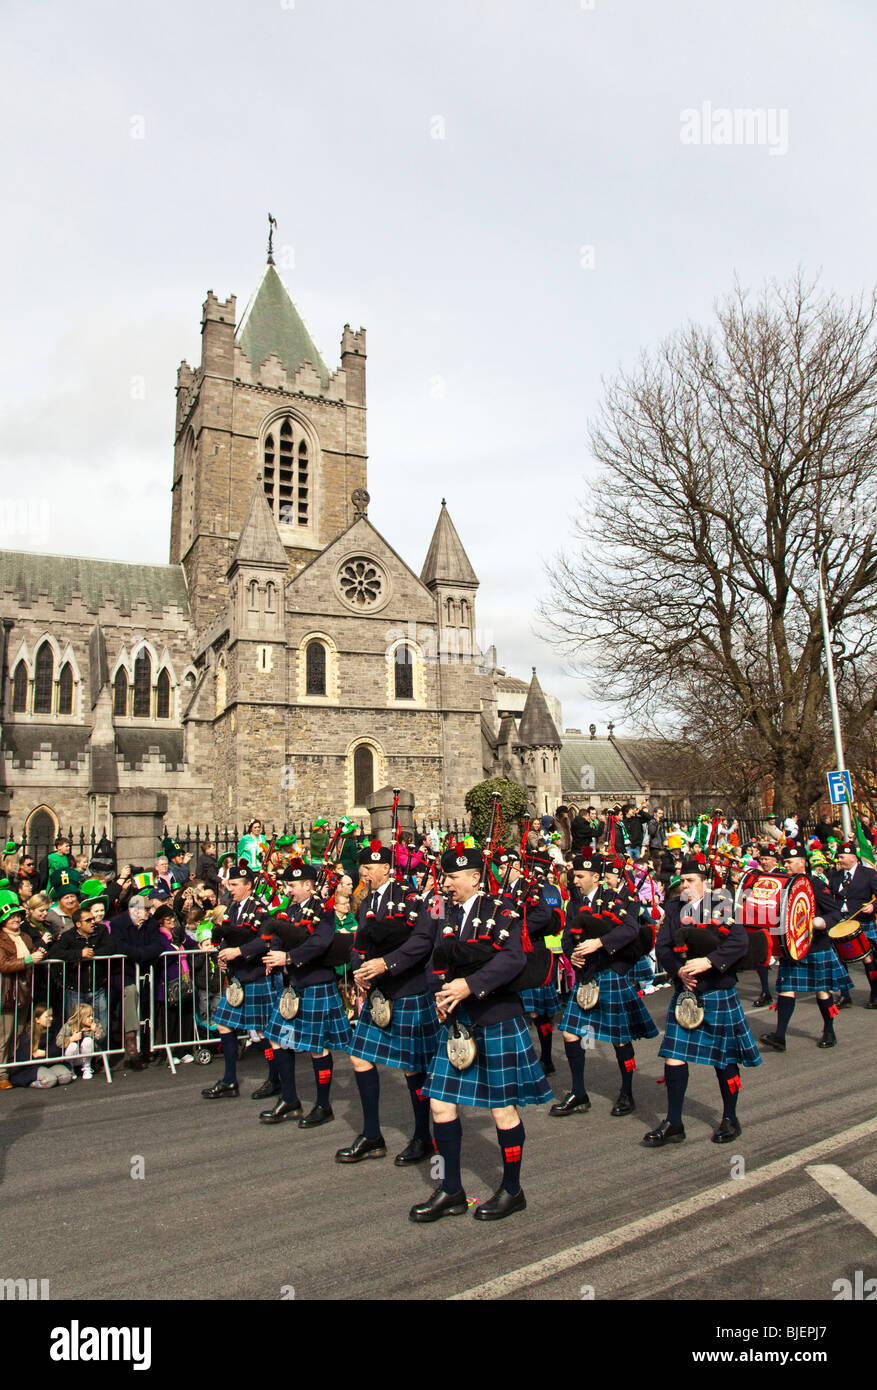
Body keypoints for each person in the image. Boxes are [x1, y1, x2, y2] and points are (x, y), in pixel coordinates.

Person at [410, 844, 552, 1224]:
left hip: (496, 1017)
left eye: (454, 877)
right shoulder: (443, 912)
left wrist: (470, 986)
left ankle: (512, 1189)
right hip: (456, 1021)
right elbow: (433, 956)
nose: (447, 883)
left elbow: (513, 959)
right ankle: (452, 1190)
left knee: (501, 1109)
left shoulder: (501, 910)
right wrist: (439, 992)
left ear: (475, 878)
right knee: (440, 1104)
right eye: (445, 876)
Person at [334, 841, 438, 1165]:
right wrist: (359, 970)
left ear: (387, 869)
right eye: (362, 866)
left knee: (411, 1067)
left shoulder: (410, 897)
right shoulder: (365, 902)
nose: (364, 872)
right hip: (379, 993)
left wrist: (385, 964)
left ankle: (424, 1137)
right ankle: (371, 1136)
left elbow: (422, 942)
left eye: (371, 867)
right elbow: (358, 943)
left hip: (407, 990)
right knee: (360, 1057)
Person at [645, 857, 761, 1147]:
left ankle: (730, 1117)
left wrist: (708, 962)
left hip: (717, 989)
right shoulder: (673, 908)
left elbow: (739, 943)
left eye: (691, 881)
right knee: (674, 1054)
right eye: (682, 881)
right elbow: (662, 946)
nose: (685, 886)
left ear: (705, 882)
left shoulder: (721, 904)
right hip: (686, 992)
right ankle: (674, 1122)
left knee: (724, 1058)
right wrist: (679, 971)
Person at [551, 851, 658, 1119]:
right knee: (570, 1033)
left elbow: (631, 929)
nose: (574, 880)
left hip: (610, 973)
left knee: (619, 1039)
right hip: (586, 975)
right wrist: (571, 954)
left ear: (595, 877)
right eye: (574, 875)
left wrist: (600, 943)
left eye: (579, 876)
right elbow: (567, 936)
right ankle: (578, 1093)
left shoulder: (613, 899)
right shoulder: (574, 905)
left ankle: (627, 1092)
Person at [260, 860, 353, 1126]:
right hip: (294, 985)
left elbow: (319, 944)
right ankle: (290, 1099)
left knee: (317, 1048)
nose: (288, 889)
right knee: (277, 1038)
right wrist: (272, 956)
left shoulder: (322, 911)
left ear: (308, 885)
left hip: (316, 982)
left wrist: (287, 958)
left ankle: (323, 1105)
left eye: (292, 885)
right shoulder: (289, 910)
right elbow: (278, 936)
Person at [201, 862, 281, 1099]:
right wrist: (223, 954)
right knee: (224, 1024)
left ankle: (274, 1079)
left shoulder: (261, 910)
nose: (230, 888)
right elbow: (226, 936)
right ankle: (229, 1080)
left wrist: (239, 952)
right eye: (229, 883)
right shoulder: (232, 910)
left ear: (248, 886)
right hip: (237, 978)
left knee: (265, 1031)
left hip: (255, 975)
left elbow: (265, 940)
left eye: (235, 884)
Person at [760, 846, 848, 1052]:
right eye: (785, 862)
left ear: (803, 863)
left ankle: (829, 1030)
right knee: (786, 989)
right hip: (791, 946)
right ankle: (780, 1036)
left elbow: (836, 912)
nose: (786, 865)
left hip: (816, 945)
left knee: (822, 991)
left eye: (790, 862)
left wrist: (822, 921)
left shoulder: (815, 884)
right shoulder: (783, 884)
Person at [106, 894, 167, 1069]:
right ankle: (130, 1039)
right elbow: (119, 946)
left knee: (149, 1003)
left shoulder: (152, 924)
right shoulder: (118, 923)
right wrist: (139, 954)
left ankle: (149, 1044)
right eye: (146, 909)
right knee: (131, 991)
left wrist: (140, 954)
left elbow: (157, 946)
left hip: (146, 970)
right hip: (123, 971)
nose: (149, 912)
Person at [0, 898, 48, 1086]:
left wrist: (41, 951)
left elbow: (35, 952)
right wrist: (28, 960)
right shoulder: (1, 938)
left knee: (19, 1033)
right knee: (4, 1035)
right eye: (11, 917)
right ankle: (2, 1074)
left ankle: (14, 1070)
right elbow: (3, 964)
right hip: (7, 992)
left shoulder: (25, 936)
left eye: (17, 916)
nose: (14, 919)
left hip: (24, 990)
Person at [49, 901, 114, 1035]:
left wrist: (92, 953)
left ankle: (100, 1055)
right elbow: (54, 952)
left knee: (101, 1029)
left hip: (98, 988)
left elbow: (111, 947)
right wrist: (79, 954)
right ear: (78, 924)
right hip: (75, 990)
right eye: (88, 920)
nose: (93, 922)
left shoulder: (101, 930)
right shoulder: (68, 936)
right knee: (75, 1028)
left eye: (93, 919)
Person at [828, 843, 877, 1009]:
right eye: (839, 857)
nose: (839, 860)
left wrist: (873, 906)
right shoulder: (835, 876)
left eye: (842, 857)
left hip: (862, 921)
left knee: (867, 958)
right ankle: (845, 995)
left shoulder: (868, 874)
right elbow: (830, 898)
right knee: (840, 960)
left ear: (853, 857)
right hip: (841, 922)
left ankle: (875, 993)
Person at [12, 1005, 74, 1088]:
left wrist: (45, 1053)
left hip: (48, 1064)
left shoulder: (53, 1030)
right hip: (32, 1068)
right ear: (37, 1020)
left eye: (51, 1016)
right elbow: (28, 1057)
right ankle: (33, 1083)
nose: (51, 1019)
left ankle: (50, 1076)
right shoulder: (28, 1034)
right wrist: (44, 1055)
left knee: (67, 1076)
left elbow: (57, 1049)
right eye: (47, 1017)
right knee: (50, 1080)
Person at [57, 1002, 104, 1078]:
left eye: (92, 1015)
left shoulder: (95, 1024)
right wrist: (71, 1039)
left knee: (88, 1041)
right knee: (73, 1045)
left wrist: (95, 1031)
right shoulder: (69, 1026)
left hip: (88, 1056)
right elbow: (58, 1041)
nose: (91, 1018)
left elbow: (102, 1038)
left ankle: (87, 1068)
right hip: (73, 1056)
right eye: (88, 1016)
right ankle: (70, 1069)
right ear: (80, 1017)